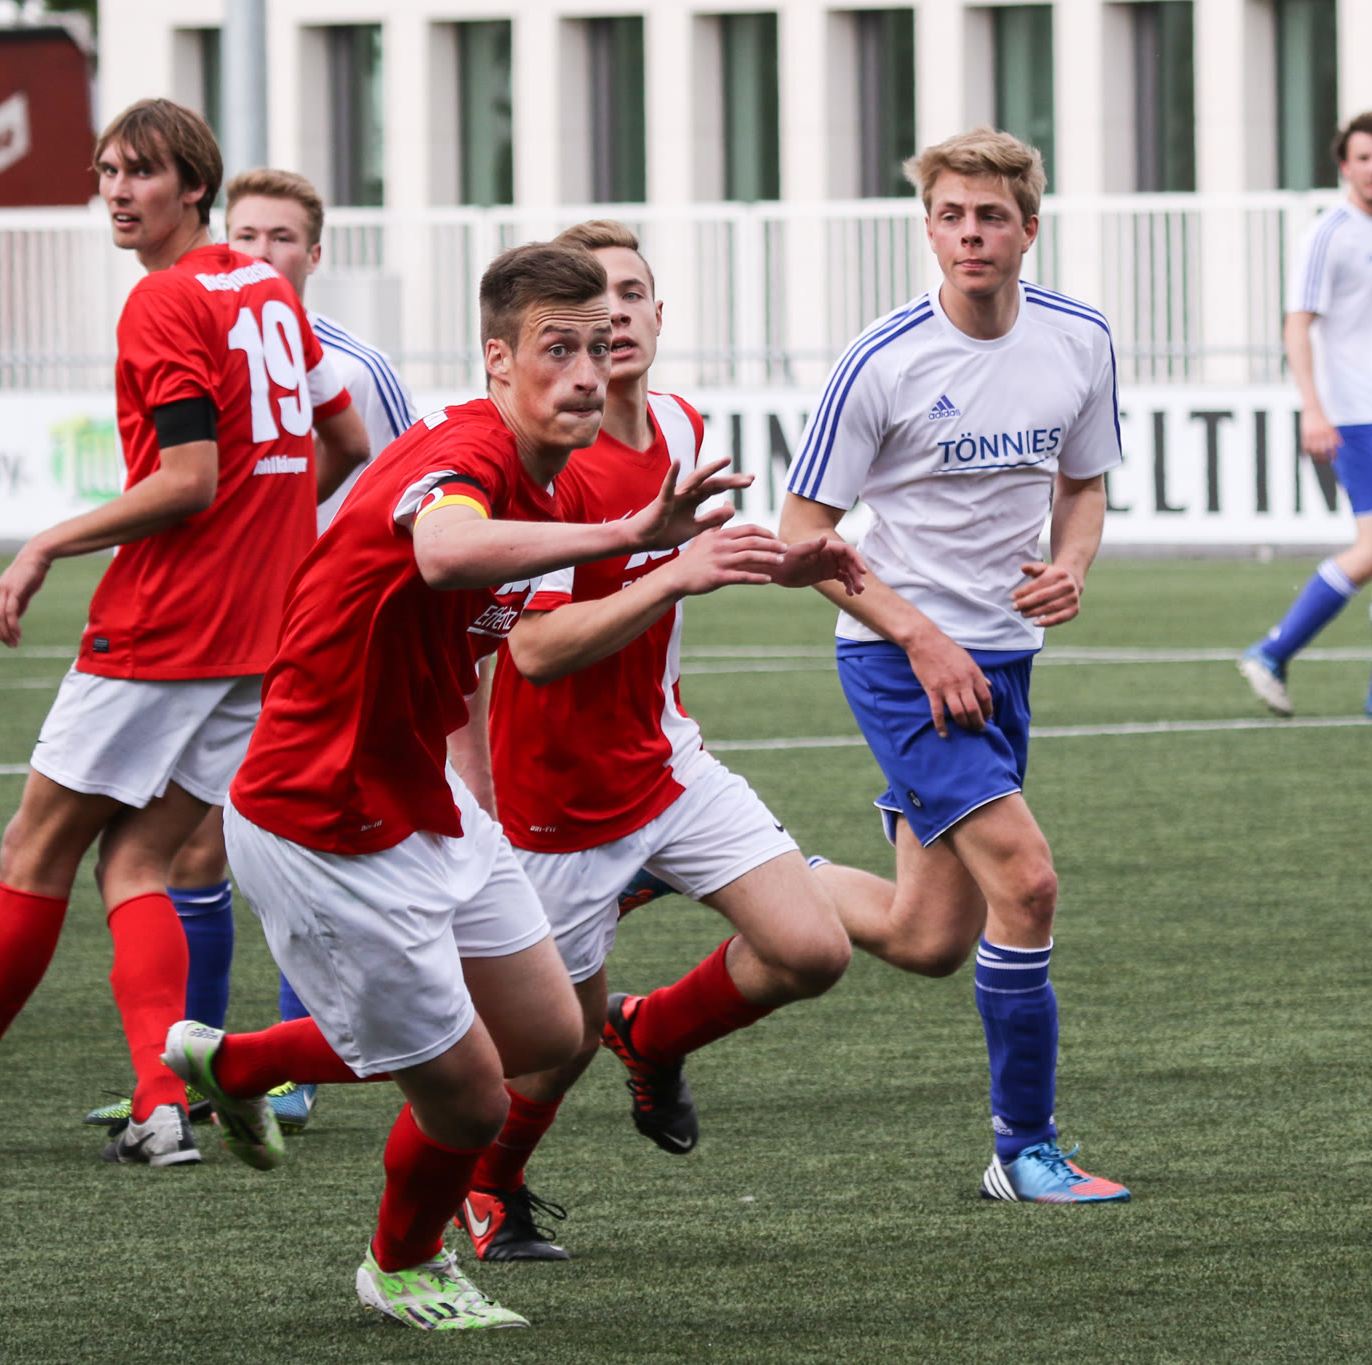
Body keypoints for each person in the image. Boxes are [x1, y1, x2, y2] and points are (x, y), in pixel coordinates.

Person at [159, 241, 748, 1330]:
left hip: (423, 799)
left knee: (548, 1035)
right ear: (497, 359)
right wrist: (630, 535)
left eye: (599, 348)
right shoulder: (468, 452)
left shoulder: (546, 471)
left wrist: (472, 790)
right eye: (557, 349)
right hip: (319, 815)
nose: (586, 372)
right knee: (471, 1096)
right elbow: (442, 551)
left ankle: (234, 1064)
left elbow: (474, 644)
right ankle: (402, 1263)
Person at [0, 99, 366, 1167]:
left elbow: (188, 481)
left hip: (168, 628)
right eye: (107, 171)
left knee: (35, 849)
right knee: (139, 860)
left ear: (193, 187)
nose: (118, 191)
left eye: (141, 172)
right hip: (263, 636)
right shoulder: (267, 290)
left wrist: (45, 544)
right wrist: (269, 537)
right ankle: (161, 1109)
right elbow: (342, 439)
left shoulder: (163, 299)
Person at [451, 220, 862, 1261]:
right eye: (590, 313)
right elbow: (534, 651)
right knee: (550, 1046)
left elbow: (695, 557)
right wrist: (673, 573)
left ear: (656, 313)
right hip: (557, 803)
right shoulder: (548, 466)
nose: (615, 323)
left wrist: (786, 563)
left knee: (813, 948)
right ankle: (489, 1186)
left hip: (667, 761)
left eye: (629, 297)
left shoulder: (679, 423)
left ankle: (654, 1032)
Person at [777, 129, 1130, 1204]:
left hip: (1004, 660)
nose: (970, 234)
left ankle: (725, 867)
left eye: (990, 217)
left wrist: (1071, 565)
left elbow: (1083, 486)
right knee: (1028, 880)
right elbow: (802, 537)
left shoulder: (1078, 340)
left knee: (926, 934)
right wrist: (920, 635)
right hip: (900, 662)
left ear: (1029, 228)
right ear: (928, 229)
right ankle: (1024, 1148)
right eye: (950, 216)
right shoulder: (881, 360)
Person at [82, 167, 416, 1138]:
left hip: (331, 633)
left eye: (283, 238)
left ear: (315, 254)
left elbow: (414, 493)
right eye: (248, 235)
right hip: (239, 631)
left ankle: (289, 1068)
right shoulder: (207, 335)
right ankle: (192, 1068)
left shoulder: (355, 366)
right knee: (195, 847)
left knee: (293, 844)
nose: (262, 252)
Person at [1235, 111, 1372, 720]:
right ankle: (1272, 652)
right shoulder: (1328, 233)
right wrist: (1314, 409)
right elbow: (1297, 325)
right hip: (1353, 415)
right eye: (1364, 158)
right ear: (1344, 166)